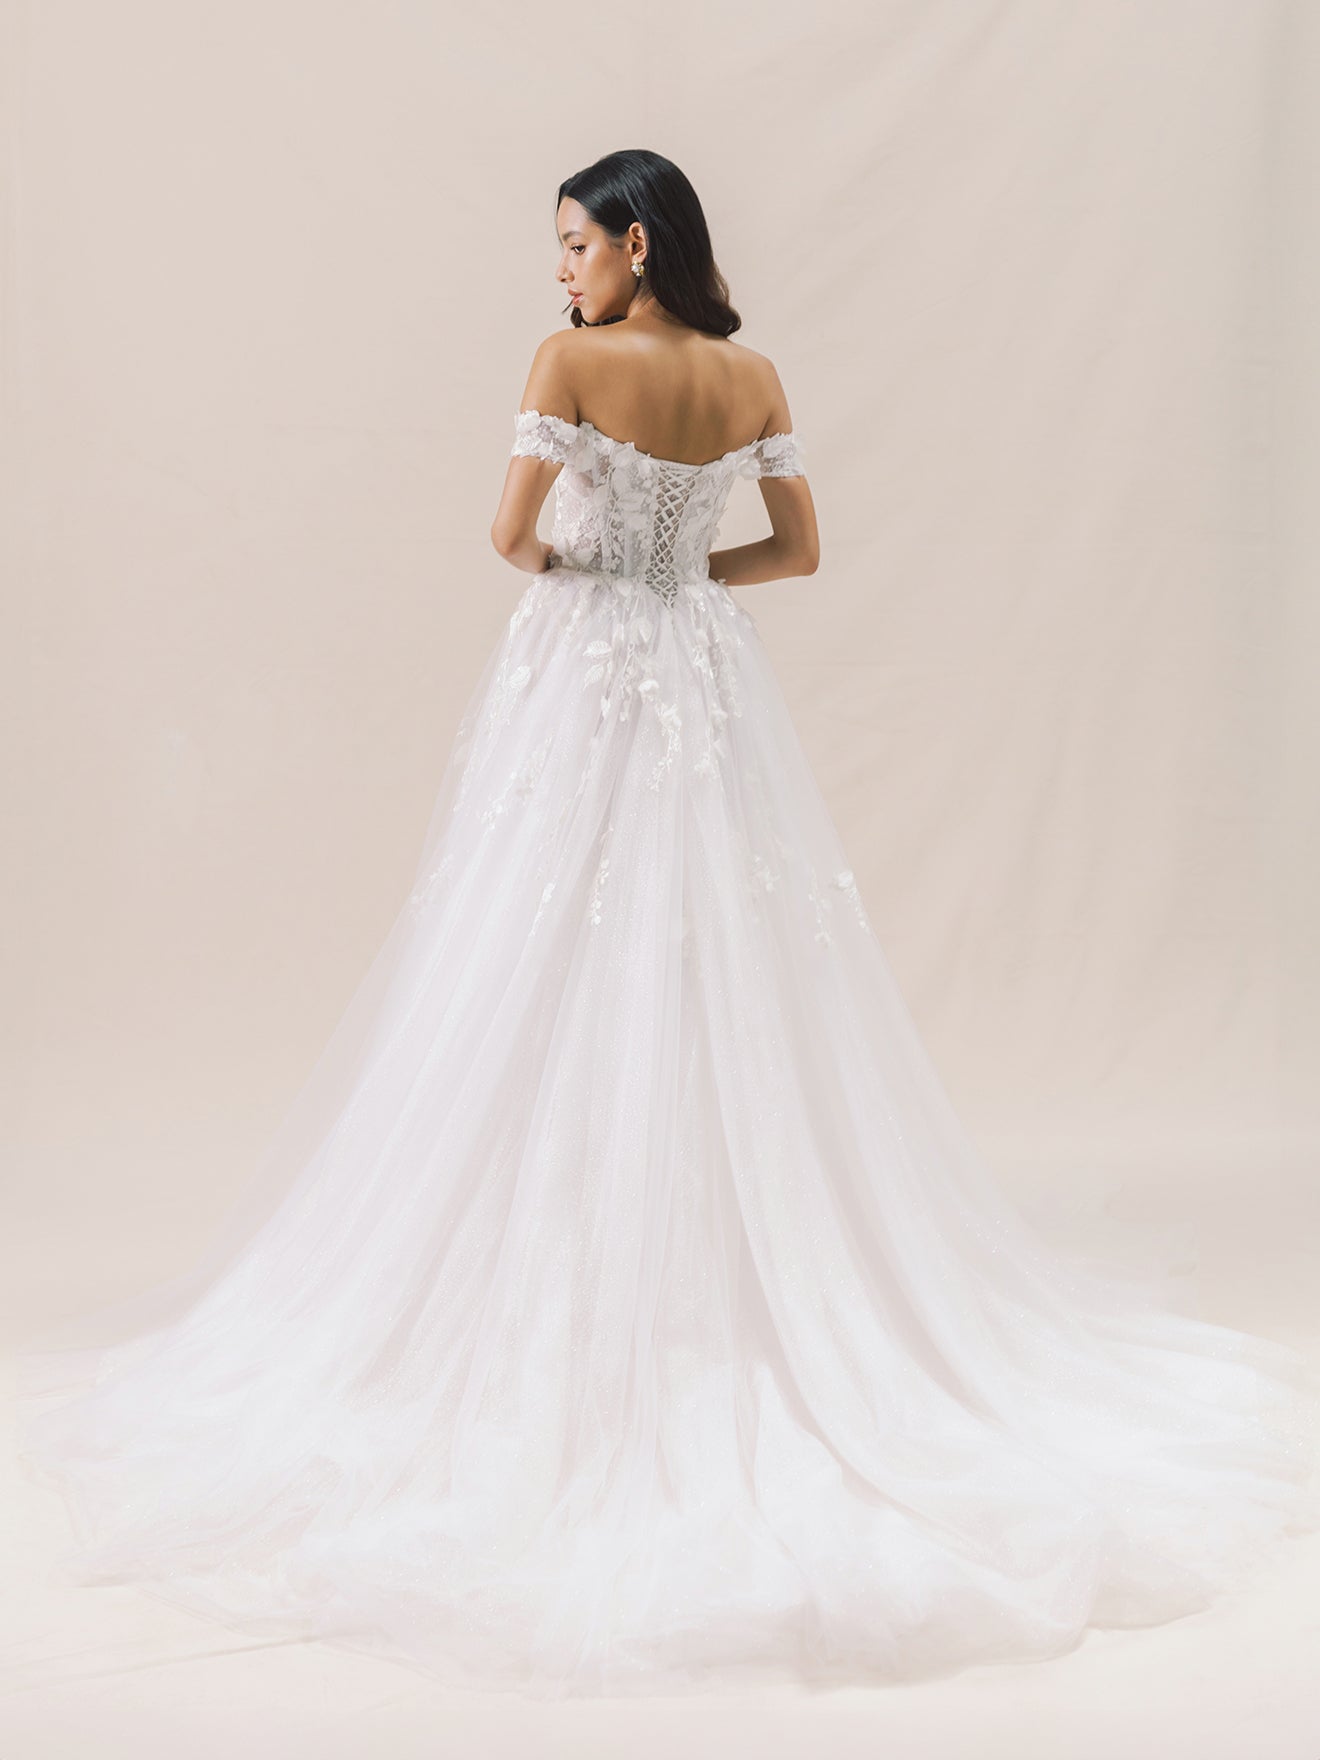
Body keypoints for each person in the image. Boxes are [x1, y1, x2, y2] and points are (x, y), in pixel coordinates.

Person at [13, 149, 1320, 1702]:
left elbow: (508, 539)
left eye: (574, 243)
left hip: (581, 670)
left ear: (635, 241)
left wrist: (593, 565)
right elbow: (800, 552)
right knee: (719, 953)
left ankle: (563, 1291)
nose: (559, 272)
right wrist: (684, 572)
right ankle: (737, 1281)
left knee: (536, 944)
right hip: (707, 670)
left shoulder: (572, 358)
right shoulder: (753, 369)